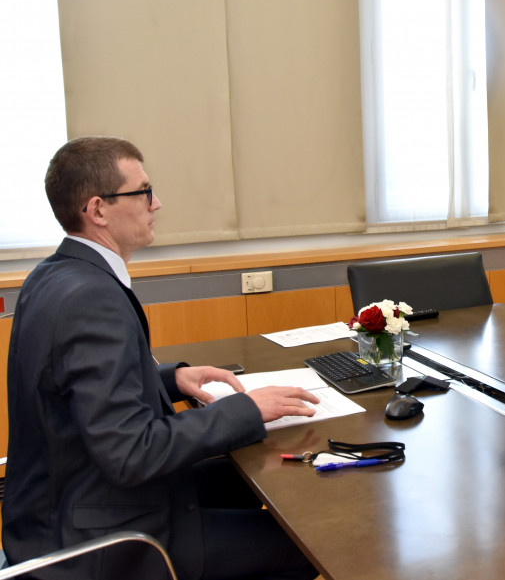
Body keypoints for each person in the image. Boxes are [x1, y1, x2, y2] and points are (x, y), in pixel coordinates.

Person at [2, 137, 320, 580]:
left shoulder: (53, 274)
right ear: (97, 210)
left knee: (247, 482)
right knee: (304, 541)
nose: (157, 203)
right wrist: (245, 409)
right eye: (144, 191)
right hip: (99, 538)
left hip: (70, 503)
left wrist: (171, 380)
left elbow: (76, 391)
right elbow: (131, 452)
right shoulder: (92, 297)